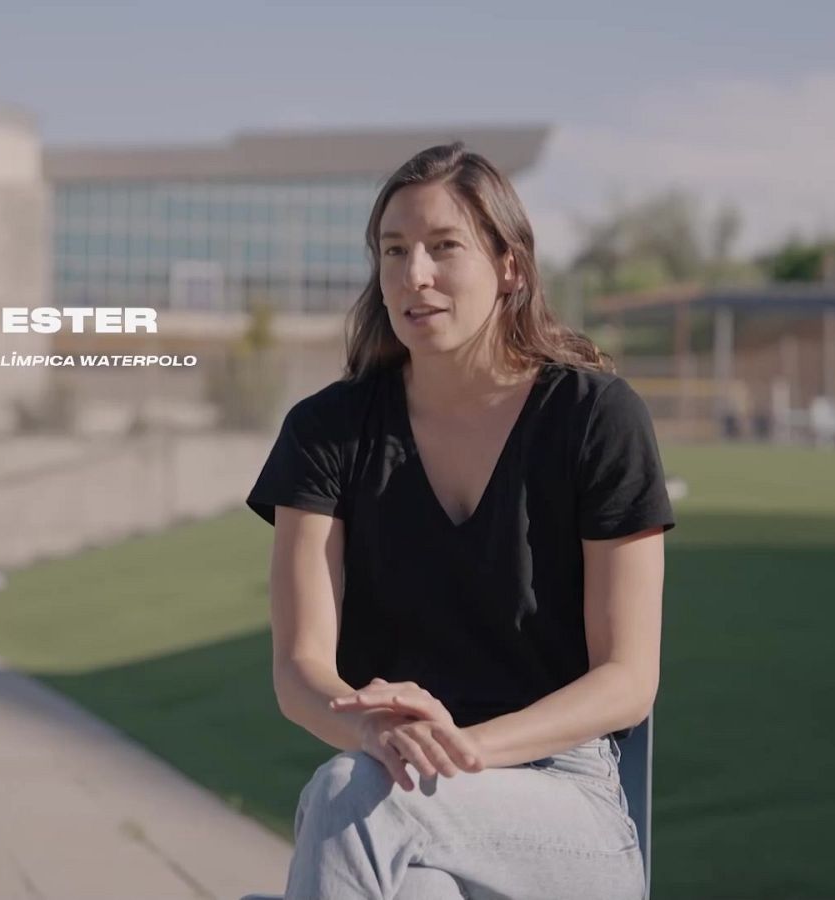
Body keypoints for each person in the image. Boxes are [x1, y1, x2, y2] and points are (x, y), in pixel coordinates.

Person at [246, 143, 673, 900]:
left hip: (566, 808)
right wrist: (373, 729)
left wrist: (459, 750)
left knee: (354, 796)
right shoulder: (326, 433)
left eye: (444, 247)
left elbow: (628, 682)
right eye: (394, 251)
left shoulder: (595, 418)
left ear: (510, 266)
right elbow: (298, 669)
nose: (414, 276)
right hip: (398, 778)